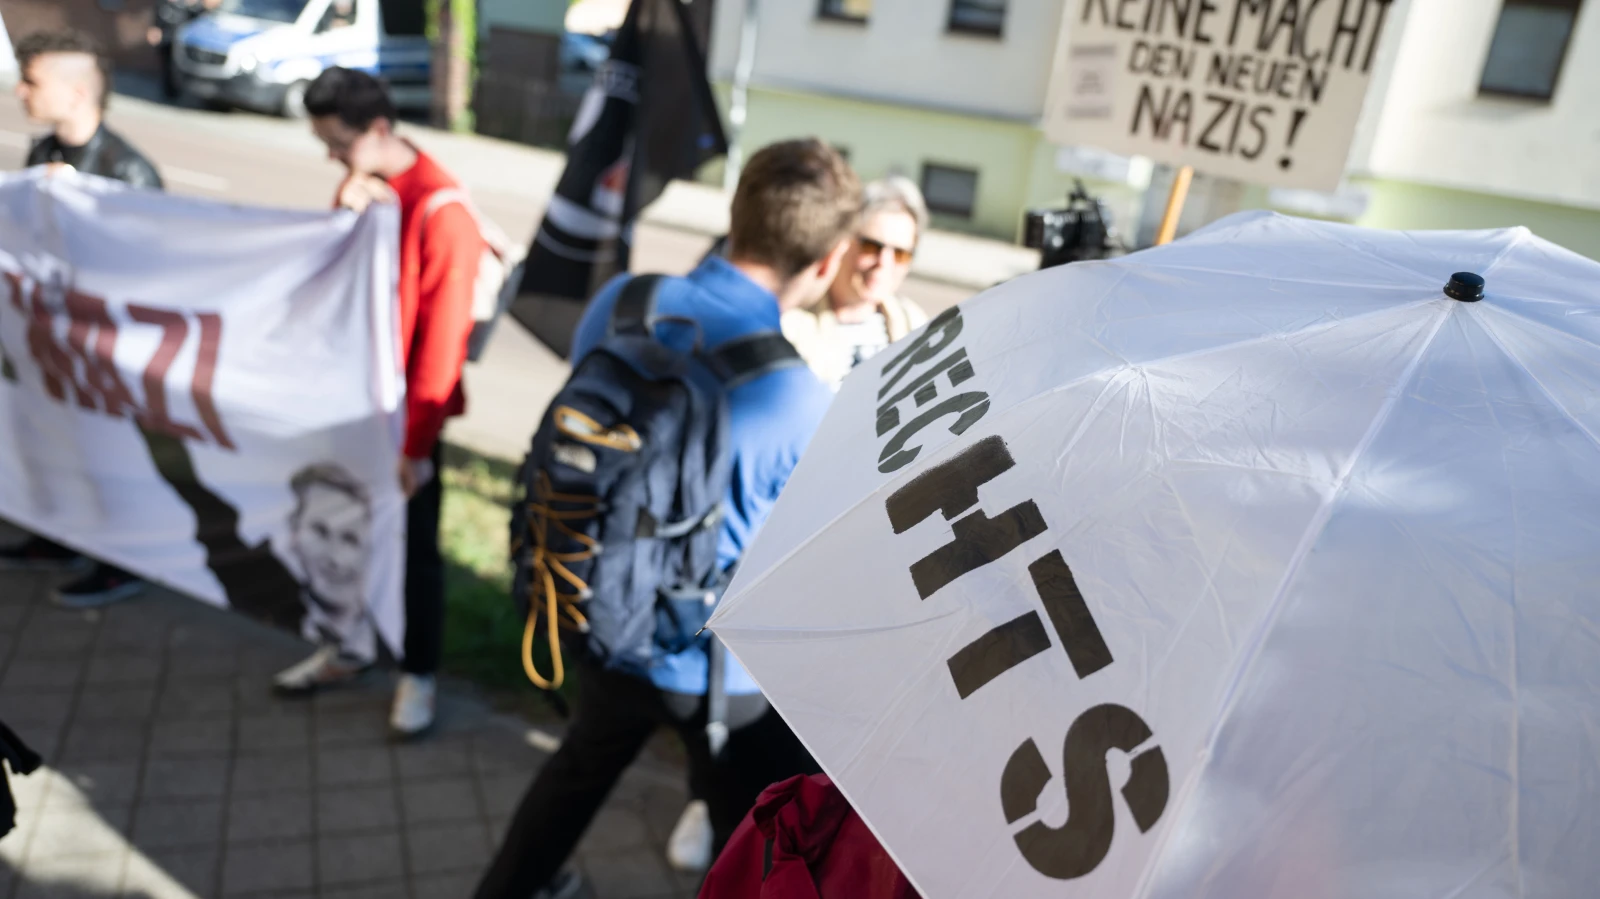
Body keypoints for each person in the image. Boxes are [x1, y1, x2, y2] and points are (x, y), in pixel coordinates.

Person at [471, 139, 860, 899]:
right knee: (770, 837)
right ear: (826, 262)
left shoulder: (623, 304)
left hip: (603, 612)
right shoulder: (797, 396)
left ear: (736, 212)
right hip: (717, 674)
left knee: (579, 769)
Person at [270, 67, 482, 740]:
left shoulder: (441, 212)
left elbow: (441, 347)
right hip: (354, 403)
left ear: (379, 131)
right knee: (344, 527)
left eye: (338, 144)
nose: (332, 156)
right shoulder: (368, 189)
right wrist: (346, 213)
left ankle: (417, 674)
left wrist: (416, 446)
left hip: (402, 420)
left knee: (415, 545)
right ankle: (351, 643)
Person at [0, 29, 162, 608]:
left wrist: (86, 208)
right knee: (48, 440)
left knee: (106, 456)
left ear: (73, 93)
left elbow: (153, 270)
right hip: (51, 338)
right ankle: (57, 537)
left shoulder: (129, 171)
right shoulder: (44, 153)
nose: (20, 91)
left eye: (33, 81)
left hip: (102, 352)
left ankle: (120, 561)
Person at [781, 175, 931, 391]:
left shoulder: (915, 324)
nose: (883, 263)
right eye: (871, 247)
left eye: (900, 254)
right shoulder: (792, 321)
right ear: (842, 242)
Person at [148, 0, 221, 100]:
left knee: (176, 66)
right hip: (166, 37)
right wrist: (155, 28)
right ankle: (168, 93)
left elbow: (197, 16)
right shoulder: (163, 4)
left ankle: (175, 92)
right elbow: (158, 15)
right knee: (166, 64)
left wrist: (205, 7)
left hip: (181, 39)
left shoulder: (189, 6)